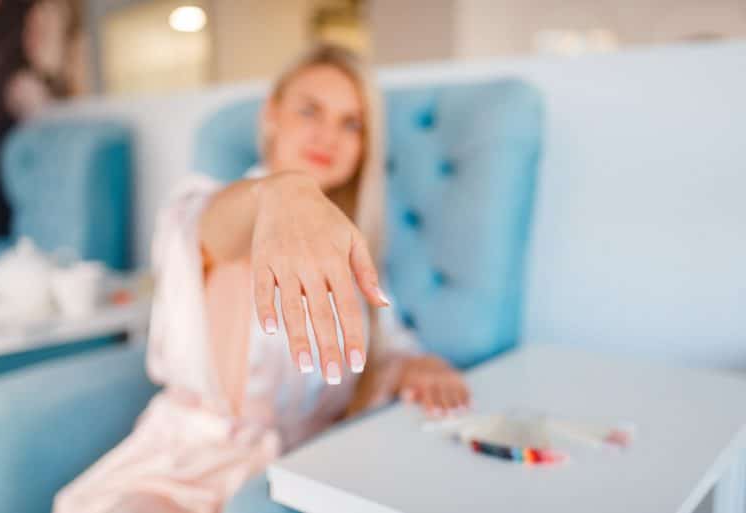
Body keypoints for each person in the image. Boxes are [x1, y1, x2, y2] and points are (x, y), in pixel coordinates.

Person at [54, 43, 470, 513]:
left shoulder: (351, 248)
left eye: (351, 123)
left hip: (301, 472)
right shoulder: (204, 205)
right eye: (310, 111)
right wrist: (278, 192)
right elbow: (212, 231)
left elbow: (388, 340)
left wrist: (420, 367)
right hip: (186, 466)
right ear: (272, 115)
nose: (327, 136)